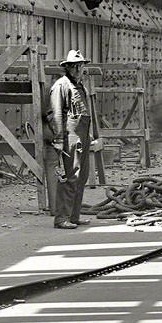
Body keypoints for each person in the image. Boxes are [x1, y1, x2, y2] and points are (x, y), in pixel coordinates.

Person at [46, 50, 92, 229]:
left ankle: (74, 216)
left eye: (81, 66)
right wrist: (59, 140)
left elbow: (86, 113)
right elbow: (55, 114)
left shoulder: (80, 86)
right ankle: (61, 218)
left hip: (82, 135)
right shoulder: (61, 86)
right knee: (70, 177)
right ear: (68, 68)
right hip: (69, 136)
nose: (79, 69)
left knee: (82, 176)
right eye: (75, 66)